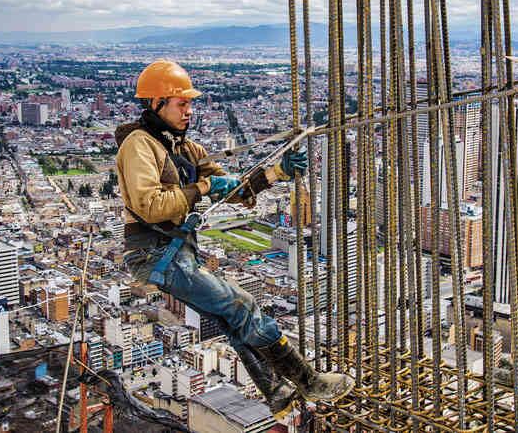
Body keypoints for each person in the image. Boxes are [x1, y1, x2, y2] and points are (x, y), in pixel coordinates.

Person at [115, 59, 354, 419]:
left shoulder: (187, 150)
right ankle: (309, 381)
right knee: (241, 304)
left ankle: (274, 389)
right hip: (154, 254)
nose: (189, 111)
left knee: (230, 317)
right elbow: (150, 206)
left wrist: (277, 172)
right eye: (182, 104)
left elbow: (236, 190)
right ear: (156, 103)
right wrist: (204, 187)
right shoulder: (139, 146)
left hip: (177, 254)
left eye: (190, 103)